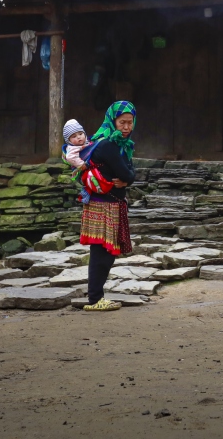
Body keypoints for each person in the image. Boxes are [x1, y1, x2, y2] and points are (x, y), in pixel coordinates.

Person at [80, 101, 137, 312]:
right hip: (103, 205)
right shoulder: (107, 145)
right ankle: (95, 299)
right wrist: (128, 177)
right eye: (122, 122)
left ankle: (96, 296)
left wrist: (129, 177)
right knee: (102, 252)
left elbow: (131, 172)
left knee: (107, 253)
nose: (126, 127)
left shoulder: (122, 145)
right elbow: (127, 173)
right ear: (113, 121)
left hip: (111, 203)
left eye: (130, 122)